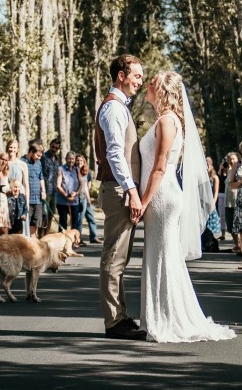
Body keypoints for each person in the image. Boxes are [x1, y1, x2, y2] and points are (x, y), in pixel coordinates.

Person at [137, 71, 235, 343]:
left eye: (152, 83)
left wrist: (142, 201)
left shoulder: (168, 122)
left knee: (163, 255)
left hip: (161, 196)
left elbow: (158, 167)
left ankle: (168, 318)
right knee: (159, 255)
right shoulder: (166, 120)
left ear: (163, 91)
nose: (148, 86)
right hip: (160, 194)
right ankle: (158, 315)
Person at [94, 54, 146, 340]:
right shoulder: (113, 108)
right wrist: (131, 190)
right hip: (117, 188)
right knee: (114, 257)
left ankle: (120, 316)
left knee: (120, 257)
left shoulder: (119, 106)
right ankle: (114, 322)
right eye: (136, 75)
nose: (139, 81)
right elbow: (115, 153)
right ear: (121, 75)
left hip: (119, 188)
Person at [5, 140, 30, 236]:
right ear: (7, 148)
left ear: (17, 149)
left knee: (21, 225)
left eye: (14, 147)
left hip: (20, 197)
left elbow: (26, 184)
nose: (12, 149)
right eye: (11, 147)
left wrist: (27, 201)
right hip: (9, 196)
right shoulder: (5, 163)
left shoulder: (22, 164)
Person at [23, 143, 47, 237]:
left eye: (40, 156)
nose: (39, 158)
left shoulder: (38, 163)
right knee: (26, 225)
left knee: (35, 224)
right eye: (37, 155)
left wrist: (43, 191)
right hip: (27, 199)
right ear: (31, 152)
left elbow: (41, 178)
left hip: (38, 200)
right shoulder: (22, 162)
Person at [56, 150, 83, 232]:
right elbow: (58, 185)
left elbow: (81, 184)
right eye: (69, 159)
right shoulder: (61, 169)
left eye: (73, 159)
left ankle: (74, 242)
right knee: (63, 222)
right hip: (63, 201)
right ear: (66, 159)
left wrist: (76, 193)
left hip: (74, 201)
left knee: (75, 223)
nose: (71, 160)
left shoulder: (76, 169)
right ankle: (61, 242)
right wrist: (66, 196)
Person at [75, 153, 99, 243]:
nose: (79, 162)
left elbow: (87, 185)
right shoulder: (74, 170)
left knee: (91, 217)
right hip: (79, 198)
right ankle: (78, 239)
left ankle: (93, 237)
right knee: (80, 219)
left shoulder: (86, 171)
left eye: (81, 160)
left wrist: (88, 198)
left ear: (84, 161)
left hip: (86, 197)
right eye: (77, 160)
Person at [40, 137, 62, 232]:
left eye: (56, 148)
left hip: (54, 191)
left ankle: (47, 235)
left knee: (51, 215)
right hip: (45, 190)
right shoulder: (44, 157)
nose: (54, 149)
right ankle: (40, 236)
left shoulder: (57, 159)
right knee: (43, 215)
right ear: (50, 146)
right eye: (53, 147)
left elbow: (58, 173)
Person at [223, 152, 240, 249]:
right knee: (230, 225)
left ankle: (241, 245)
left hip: (237, 200)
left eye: (233, 159)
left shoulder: (239, 170)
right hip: (228, 201)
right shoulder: (229, 170)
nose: (232, 161)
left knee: (238, 225)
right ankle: (236, 245)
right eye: (230, 159)